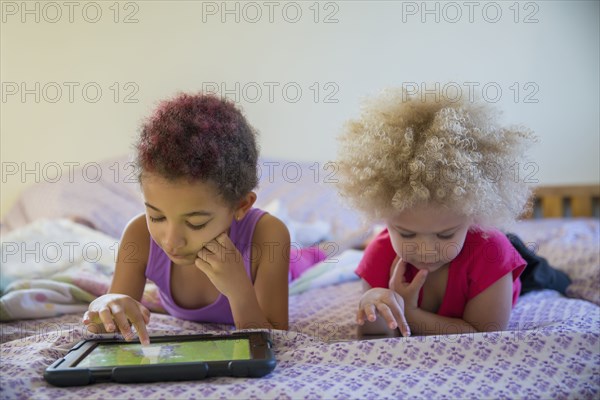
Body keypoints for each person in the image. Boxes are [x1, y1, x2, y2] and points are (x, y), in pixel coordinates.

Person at [83, 93, 326, 345]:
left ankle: (316, 243)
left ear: (241, 205)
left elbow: (272, 340)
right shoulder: (139, 236)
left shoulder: (268, 236)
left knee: (307, 257)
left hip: (289, 266)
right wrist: (106, 306)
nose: (171, 241)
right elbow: (113, 314)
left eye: (195, 223)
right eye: (156, 216)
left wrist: (239, 290)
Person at [336, 87, 569, 338]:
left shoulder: (493, 254)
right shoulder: (379, 255)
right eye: (407, 234)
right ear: (384, 218)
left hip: (488, 253)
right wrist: (373, 305)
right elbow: (375, 338)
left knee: (550, 277)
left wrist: (411, 314)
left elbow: (483, 332)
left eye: (445, 235)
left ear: (473, 216)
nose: (426, 248)